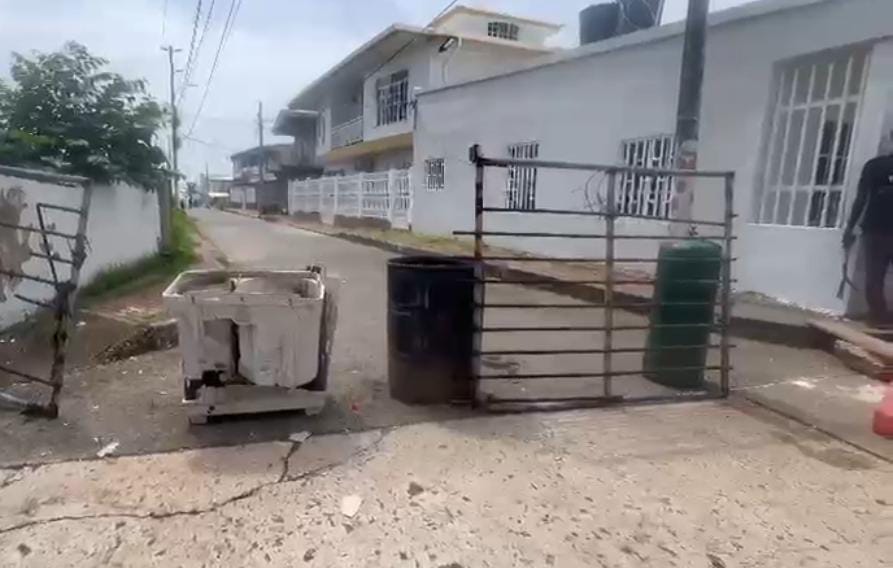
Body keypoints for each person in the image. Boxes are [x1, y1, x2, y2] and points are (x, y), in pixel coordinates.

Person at [843, 138, 893, 325]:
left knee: (875, 276)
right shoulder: (874, 166)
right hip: (876, 230)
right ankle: (880, 317)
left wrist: (850, 228)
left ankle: (878, 317)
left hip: (876, 230)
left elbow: (861, 198)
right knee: (874, 277)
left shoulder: (874, 166)